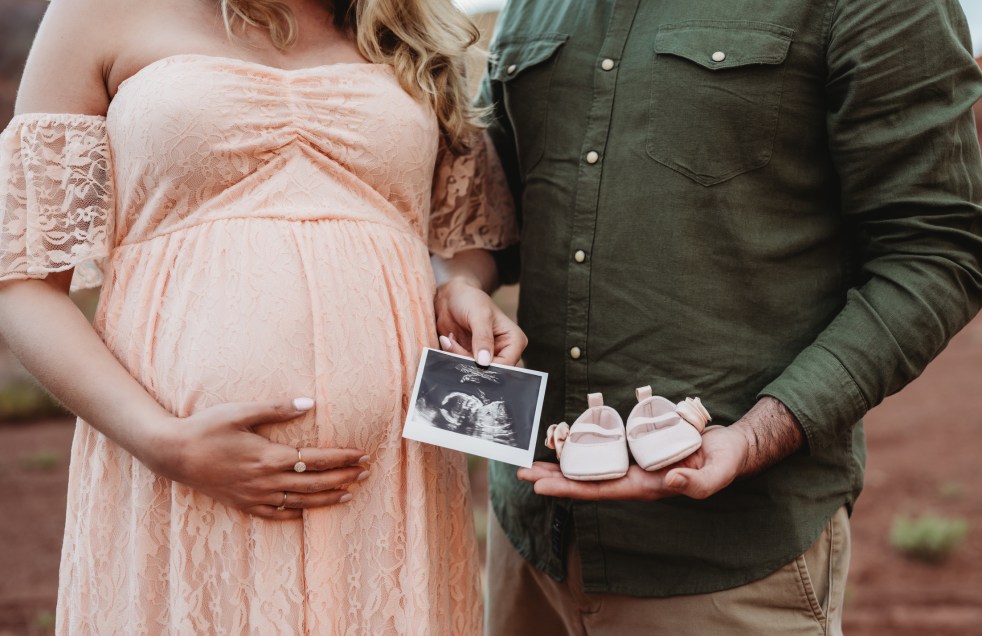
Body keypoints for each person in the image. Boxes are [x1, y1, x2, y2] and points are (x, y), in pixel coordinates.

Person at [434, 0, 982, 633]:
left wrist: (752, 437)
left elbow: (936, 252)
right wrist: (464, 282)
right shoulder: (533, 6)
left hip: (728, 563)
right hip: (528, 542)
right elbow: (496, 208)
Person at [0, 0, 524, 633]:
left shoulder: (411, 24)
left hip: (392, 481)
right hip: (180, 474)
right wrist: (163, 443)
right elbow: (23, 282)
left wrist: (461, 284)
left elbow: (466, 235)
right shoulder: (97, 13)